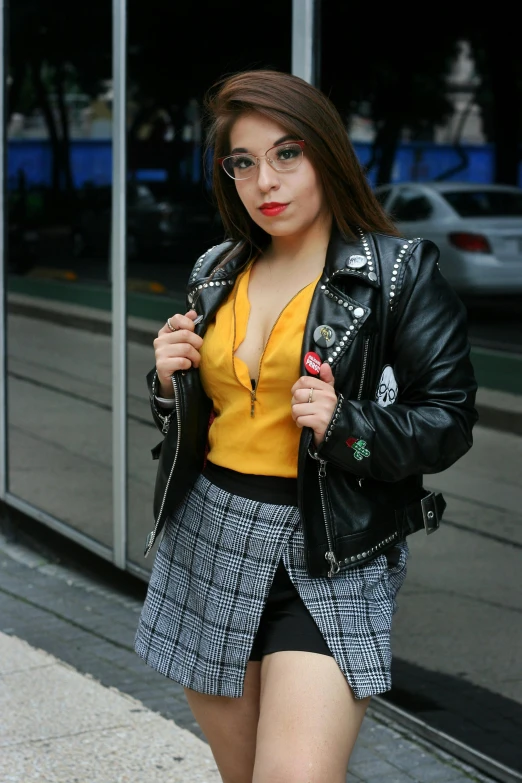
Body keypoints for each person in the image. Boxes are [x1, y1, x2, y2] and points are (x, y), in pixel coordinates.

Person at [135, 69, 478, 783]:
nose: (267, 181)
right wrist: (168, 383)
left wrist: (346, 424)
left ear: (325, 152)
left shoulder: (397, 274)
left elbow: (447, 422)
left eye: (288, 153)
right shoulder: (217, 270)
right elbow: (207, 416)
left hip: (331, 547)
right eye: (244, 162)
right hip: (209, 536)